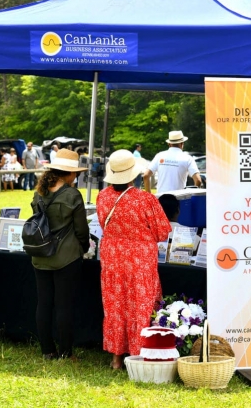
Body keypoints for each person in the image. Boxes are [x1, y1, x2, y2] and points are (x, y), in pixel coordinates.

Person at [98, 150, 171, 370]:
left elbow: (104, 225)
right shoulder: (145, 200)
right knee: (141, 304)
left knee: (115, 306)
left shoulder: (102, 197)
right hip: (140, 260)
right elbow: (163, 232)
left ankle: (116, 359)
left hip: (112, 258)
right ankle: (140, 354)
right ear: (133, 174)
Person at [30, 148, 89, 361]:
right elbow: (81, 230)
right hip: (67, 257)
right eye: (76, 173)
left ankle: (47, 350)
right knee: (64, 305)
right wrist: (83, 247)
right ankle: (65, 352)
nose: (77, 176)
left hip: (40, 255)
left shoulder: (39, 192)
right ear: (69, 173)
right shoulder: (73, 195)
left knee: (44, 303)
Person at [143, 130, 202, 194]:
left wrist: (149, 197)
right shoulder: (188, 158)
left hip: (161, 198)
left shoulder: (159, 156)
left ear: (169, 144)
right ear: (182, 143)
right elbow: (198, 180)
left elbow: (146, 175)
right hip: (179, 199)